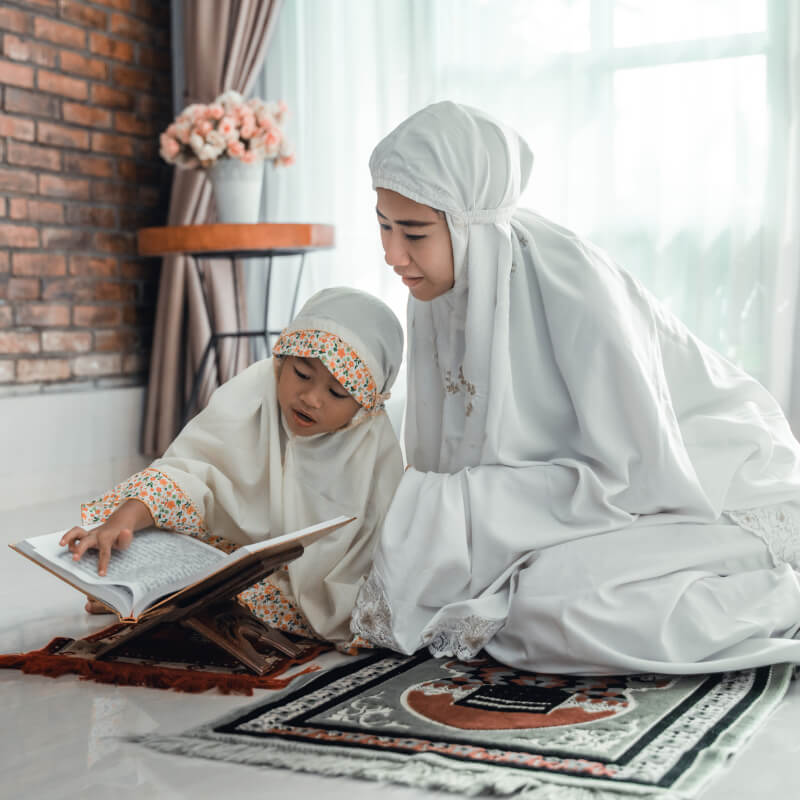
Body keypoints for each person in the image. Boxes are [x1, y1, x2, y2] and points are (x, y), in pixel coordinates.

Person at [351, 101, 800, 674]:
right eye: (384, 225)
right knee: (518, 604)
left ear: (469, 226)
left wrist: (466, 510)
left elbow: (635, 476)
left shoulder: (576, 285)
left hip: (712, 486)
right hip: (581, 501)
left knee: (554, 610)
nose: (392, 255)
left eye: (412, 232)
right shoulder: (440, 285)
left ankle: (781, 592)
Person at [63, 287, 404, 650]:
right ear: (280, 361)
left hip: (289, 586)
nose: (311, 398)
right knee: (155, 529)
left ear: (366, 408)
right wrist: (123, 520)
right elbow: (191, 471)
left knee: (230, 593)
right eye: (302, 374)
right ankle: (142, 595)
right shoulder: (252, 399)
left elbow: (372, 553)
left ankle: (164, 601)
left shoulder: (371, 454)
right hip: (226, 555)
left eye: (337, 393)